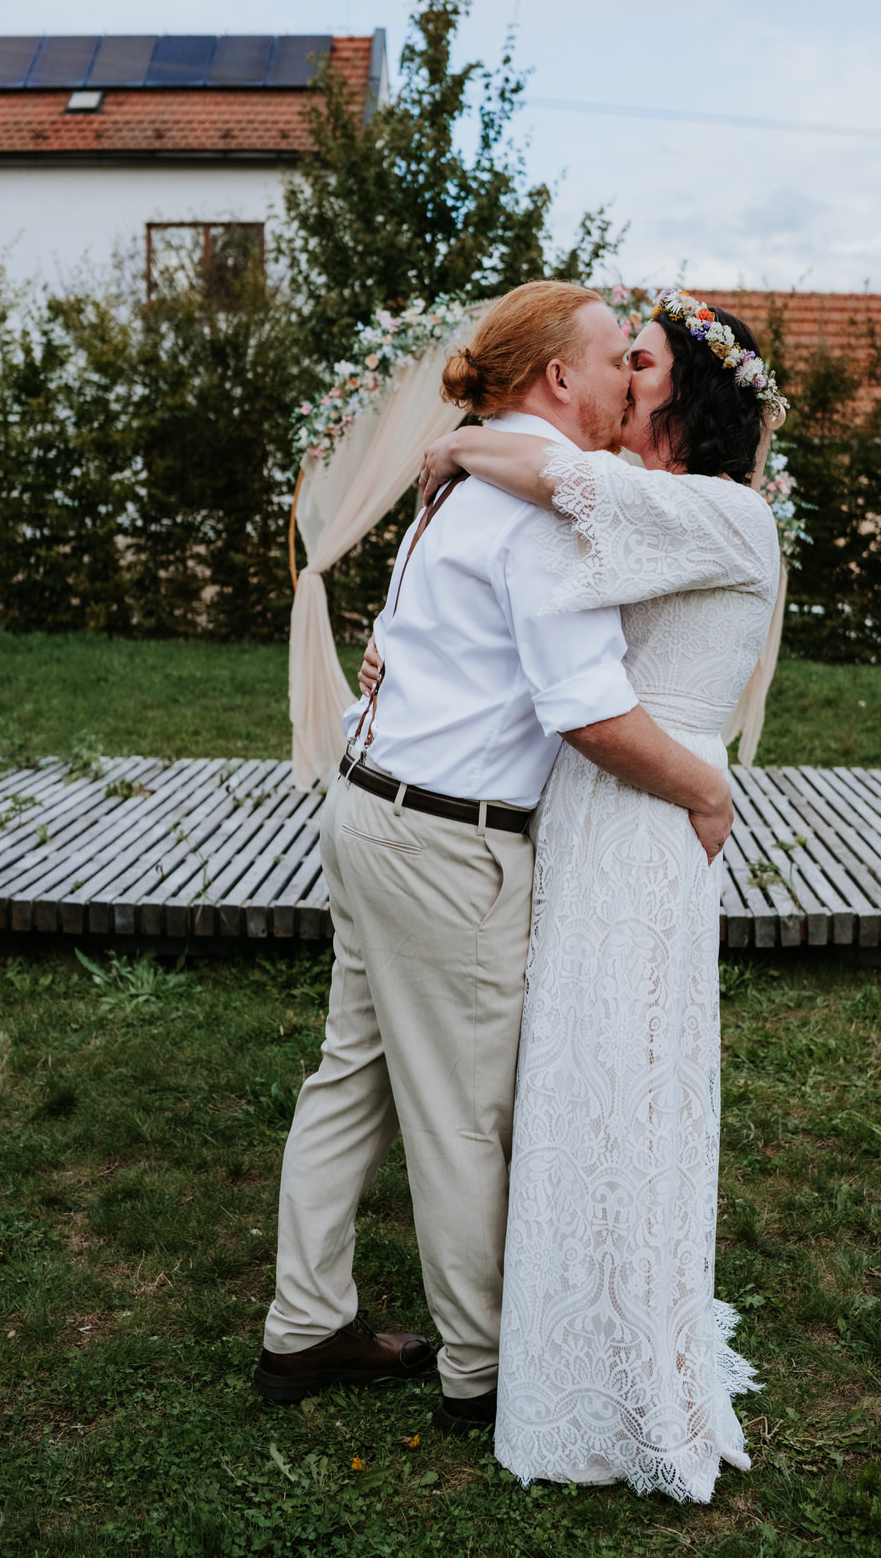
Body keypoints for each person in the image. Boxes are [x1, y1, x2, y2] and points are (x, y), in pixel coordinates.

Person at [252, 281, 735, 1435]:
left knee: (351, 1080)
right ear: (557, 380)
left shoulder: (471, 477)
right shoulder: (534, 509)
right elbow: (588, 714)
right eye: (618, 358)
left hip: (369, 810)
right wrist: (700, 788)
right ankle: (480, 1369)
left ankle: (306, 1321)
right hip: (445, 846)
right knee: (468, 1114)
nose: (631, 375)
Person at [417, 288, 784, 1502]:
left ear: (686, 391)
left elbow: (573, 485)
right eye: (619, 356)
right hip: (591, 813)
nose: (622, 374)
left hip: (648, 820)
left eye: (641, 359)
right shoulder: (655, 512)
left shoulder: (728, 516)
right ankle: (572, 1336)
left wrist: (465, 438)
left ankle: (619, 1366)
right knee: (574, 1073)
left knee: (620, 1078)